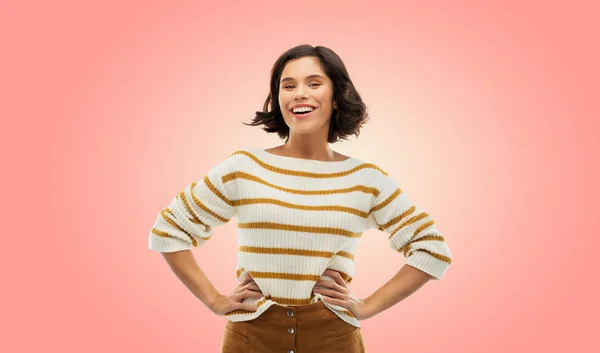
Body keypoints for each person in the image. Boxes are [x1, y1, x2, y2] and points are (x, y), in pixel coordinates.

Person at [148, 44, 453, 353]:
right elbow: (169, 230)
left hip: (333, 339)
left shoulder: (366, 179)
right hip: (251, 338)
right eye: (288, 85)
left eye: (314, 83)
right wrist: (213, 300)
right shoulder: (243, 167)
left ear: (336, 97)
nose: (299, 93)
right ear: (278, 98)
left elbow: (431, 250)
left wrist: (367, 307)